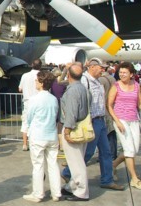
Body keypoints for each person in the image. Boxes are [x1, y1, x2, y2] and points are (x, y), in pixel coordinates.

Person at [61, 58, 123, 191]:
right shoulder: (84, 81)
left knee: (106, 152)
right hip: (91, 121)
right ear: (92, 67)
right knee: (87, 153)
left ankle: (107, 179)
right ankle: (68, 173)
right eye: (101, 67)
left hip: (101, 121)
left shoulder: (98, 82)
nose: (103, 70)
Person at [22, 71, 62, 202]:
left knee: (38, 165)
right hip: (51, 134)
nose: (35, 82)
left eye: (37, 80)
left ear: (41, 83)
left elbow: (29, 117)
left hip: (38, 135)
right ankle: (56, 193)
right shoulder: (54, 99)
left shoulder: (34, 99)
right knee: (53, 164)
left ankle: (38, 193)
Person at [107, 61, 141, 189]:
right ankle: (134, 178)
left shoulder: (137, 85)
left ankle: (113, 166)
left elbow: (139, 104)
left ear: (131, 74)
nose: (122, 74)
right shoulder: (116, 86)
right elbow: (109, 105)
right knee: (129, 150)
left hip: (134, 120)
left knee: (134, 150)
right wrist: (117, 121)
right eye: (120, 72)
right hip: (121, 120)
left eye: (124, 73)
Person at [60, 63, 90, 201]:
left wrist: (67, 131)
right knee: (77, 160)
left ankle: (82, 192)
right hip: (82, 127)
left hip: (73, 128)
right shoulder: (83, 88)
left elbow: (71, 113)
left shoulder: (72, 91)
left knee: (76, 163)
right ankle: (72, 186)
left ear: (69, 75)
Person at [19, 59, 41, 151]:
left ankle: (25, 144)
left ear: (32, 65)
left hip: (27, 101)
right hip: (39, 101)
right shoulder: (41, 75)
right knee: (39, 122)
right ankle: (37, 143)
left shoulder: (25, 75)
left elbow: (20, 89)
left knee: (25, 123)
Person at [98, 63, 118, 160]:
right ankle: (114, 153)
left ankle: (108, 154)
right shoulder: (112, 79)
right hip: (112, 107)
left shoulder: (100, 80)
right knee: (112, 132)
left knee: (106, 133)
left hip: (104, 108)